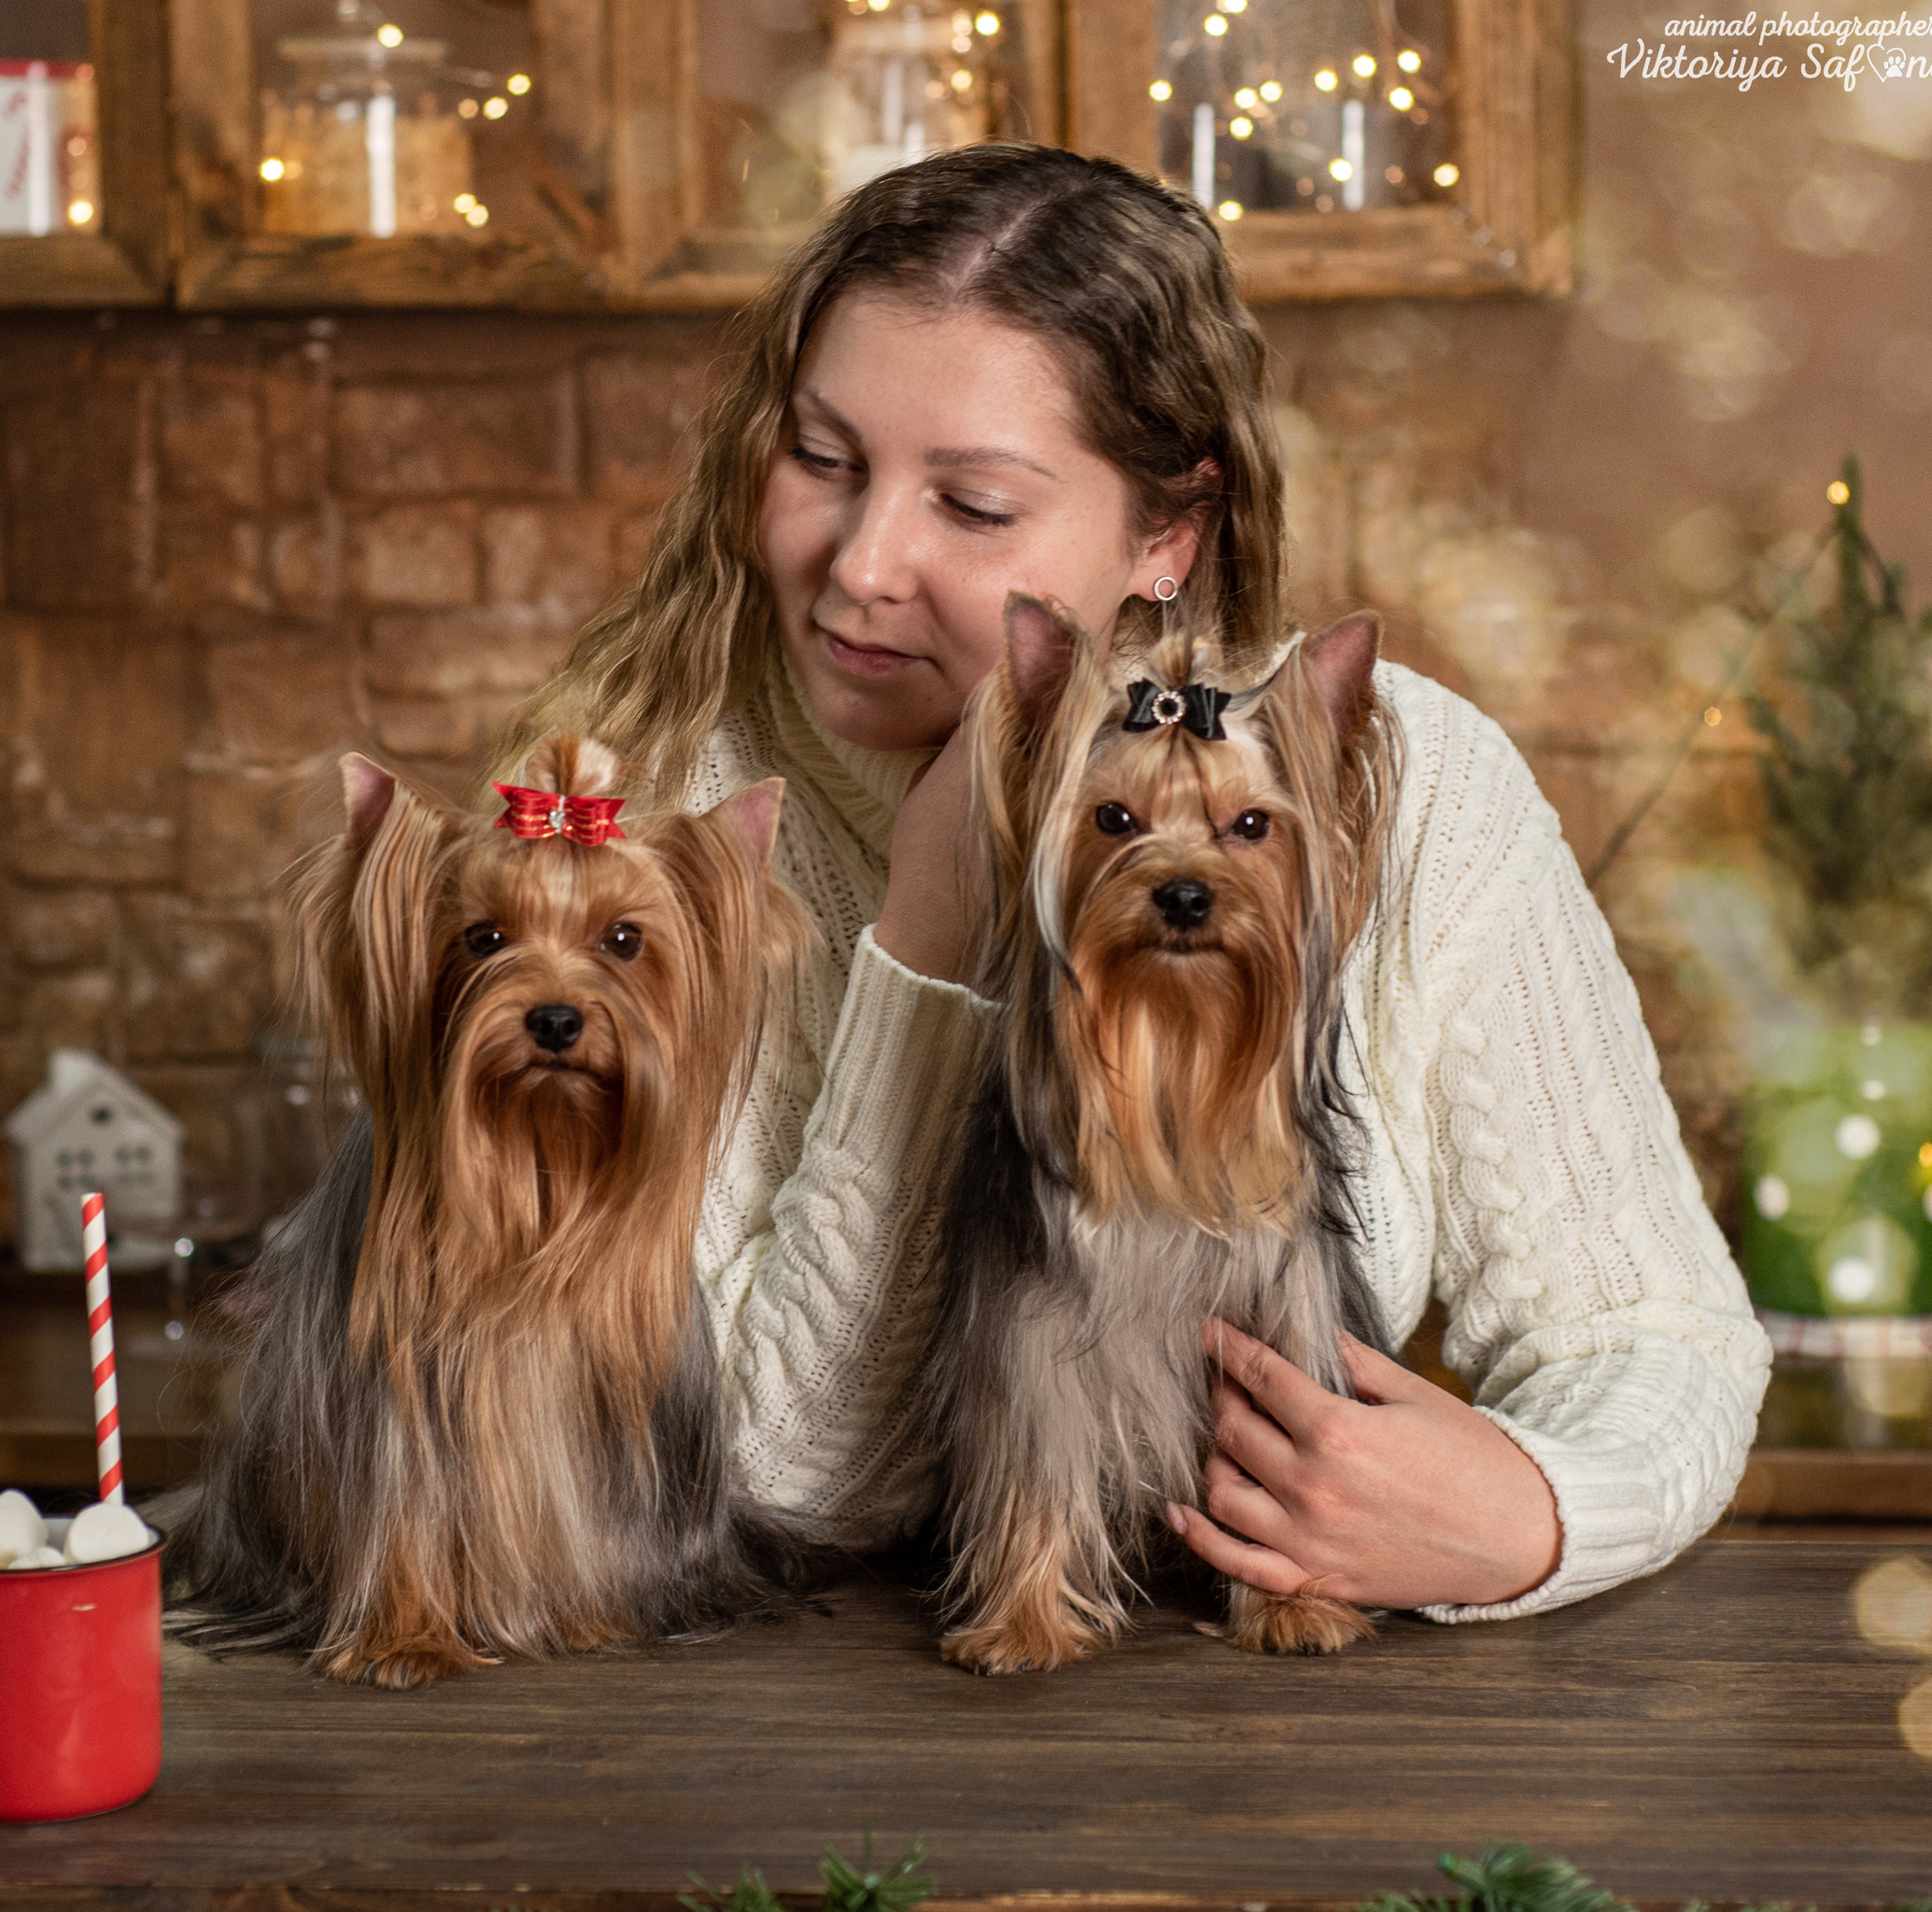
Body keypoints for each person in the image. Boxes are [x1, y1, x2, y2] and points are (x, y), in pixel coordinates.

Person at [503, 142, 1770, 1623]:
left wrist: (1538, 1515)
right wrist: (927, 940)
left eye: (972, 506)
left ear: (1166, 538)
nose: (861, 564)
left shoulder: (1424, 790)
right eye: (822, 459)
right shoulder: (633, 831)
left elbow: (1656, 1330)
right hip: (801, 1735)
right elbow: (769, 1475)